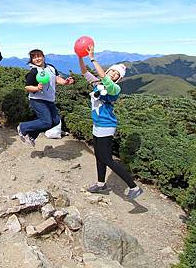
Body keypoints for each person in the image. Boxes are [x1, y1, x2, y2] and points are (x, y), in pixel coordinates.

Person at [78, 45, 143, 200]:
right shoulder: (97, 83)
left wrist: (92, 58)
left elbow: (106, 80)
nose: (113, 74)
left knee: (106, 158)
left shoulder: (114, 88)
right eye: (112, 71)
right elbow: (84, 72)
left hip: (106, 126)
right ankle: (101, 184)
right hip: (97, 125)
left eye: (116, 74)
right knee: (99, 156)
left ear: (118, 78)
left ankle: (134, 187)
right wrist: (80, 56)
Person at [17, 49, 74, 146]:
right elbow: (27, 87)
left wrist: (65, 82)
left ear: (43, 56)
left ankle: (31, 135)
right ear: (31, 60)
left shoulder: (50, 67)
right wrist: (36, 88)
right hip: (37, 100)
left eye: (39, 56)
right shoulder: (34, 71)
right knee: (46, 122)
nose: (37, 59)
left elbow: (56, 78)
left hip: (49, 99)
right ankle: (23, 127)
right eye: (34, 57)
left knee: (55, 121)